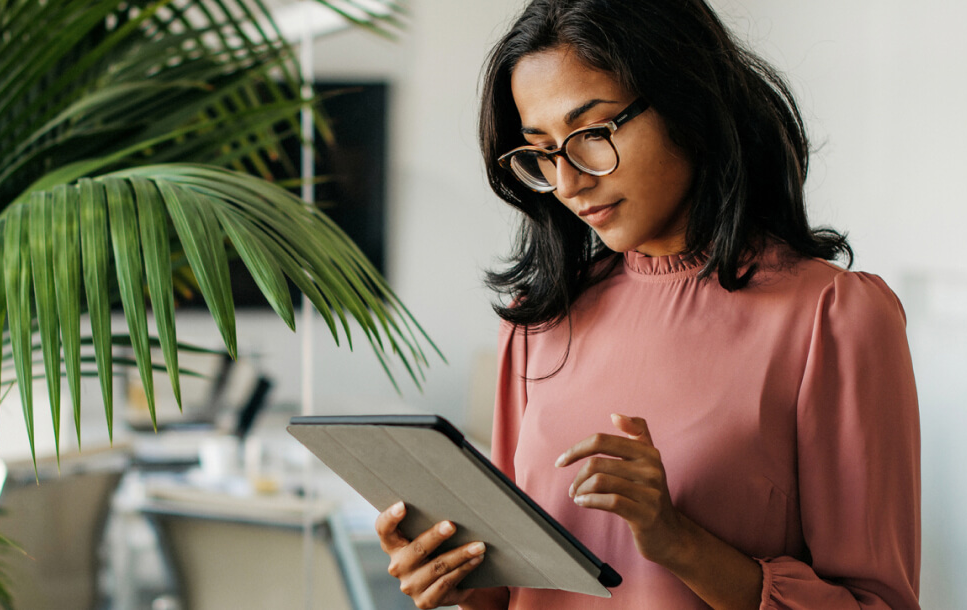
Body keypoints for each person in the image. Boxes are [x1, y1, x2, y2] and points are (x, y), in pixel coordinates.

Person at [372, 0, 921, 608]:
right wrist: (457, 583)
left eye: (592, 134)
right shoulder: (540, 321)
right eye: (543, 151)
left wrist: (677, 540)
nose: (569, 181)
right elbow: (517, 595)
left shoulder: (833, 318)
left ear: (687, 101)